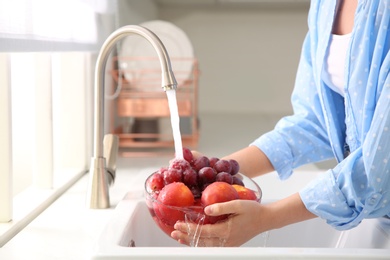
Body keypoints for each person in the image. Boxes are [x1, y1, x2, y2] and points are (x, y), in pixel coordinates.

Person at [171, 0, 390, 247]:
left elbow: (378, 167)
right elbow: (317, 121)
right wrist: (216, 173)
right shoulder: (325, 5)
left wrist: (266, 218)